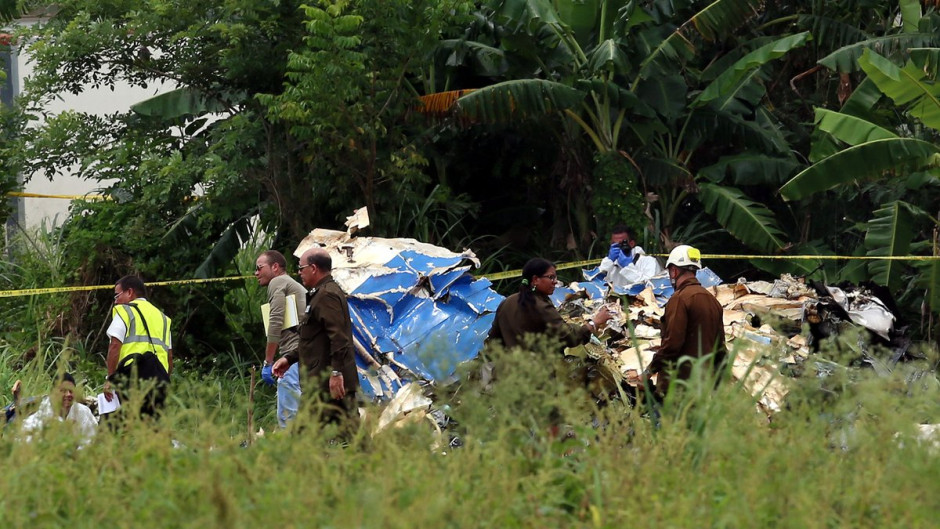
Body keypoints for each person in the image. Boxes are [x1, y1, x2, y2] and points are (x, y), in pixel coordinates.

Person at [272, 248, 360, 436]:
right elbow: (313, 339)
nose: (299, 273)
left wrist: (336, 373)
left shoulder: (326, 295)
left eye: (301, 268)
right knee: (353, 437)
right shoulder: (319, 294)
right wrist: (289, 358)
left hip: (327, 383)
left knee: (304, 438)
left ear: (313, 268)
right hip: (326, 382)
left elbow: (339, 338)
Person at [639, 245, 727, 397]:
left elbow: (672, 344)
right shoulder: (713, 301)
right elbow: (720, 348)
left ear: (674, 270)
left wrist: (649, 371)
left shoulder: (679, 299)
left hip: (678, 388)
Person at [488, 258, 611, 351]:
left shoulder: (507, 302)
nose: (555, 281)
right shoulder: (541, 306)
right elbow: (569, 336)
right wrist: (594, 323)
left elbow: (493, 340)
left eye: (555, 277)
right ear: (535, 280)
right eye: (551, 277)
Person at [103, 276, 172, 420]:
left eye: (117, 295)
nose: (115, 301)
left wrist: (111, 378)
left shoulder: (125, 312)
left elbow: (115, 345)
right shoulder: (163, 318)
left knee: (130, 425)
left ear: (129, 292)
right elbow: (169, 356)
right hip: (159, 380)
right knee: (153, 428)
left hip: (132, 378)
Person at [255, 250, 307, 428]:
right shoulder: (293, 285)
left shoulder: (278, 281)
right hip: (303, 353)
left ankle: (293, 454)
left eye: (259, 268)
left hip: (292, 355)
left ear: (275, 267)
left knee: (288, 416)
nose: (256, 273)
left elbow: (275, 319)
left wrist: (268, 361)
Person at [19, 373, 97, 445]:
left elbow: (91, 439)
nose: (68, 394)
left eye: (71, 391)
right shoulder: (40, 417)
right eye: (63, 391)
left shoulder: (83, 411)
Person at [598, 225, 662, 287]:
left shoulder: (649, 262)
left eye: (621, 244)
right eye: (614, 244)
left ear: (631, 243)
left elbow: (651, 286)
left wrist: (628, 268)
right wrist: (608, 262)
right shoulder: (611, 264)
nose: (617, 247)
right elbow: (597, 282)